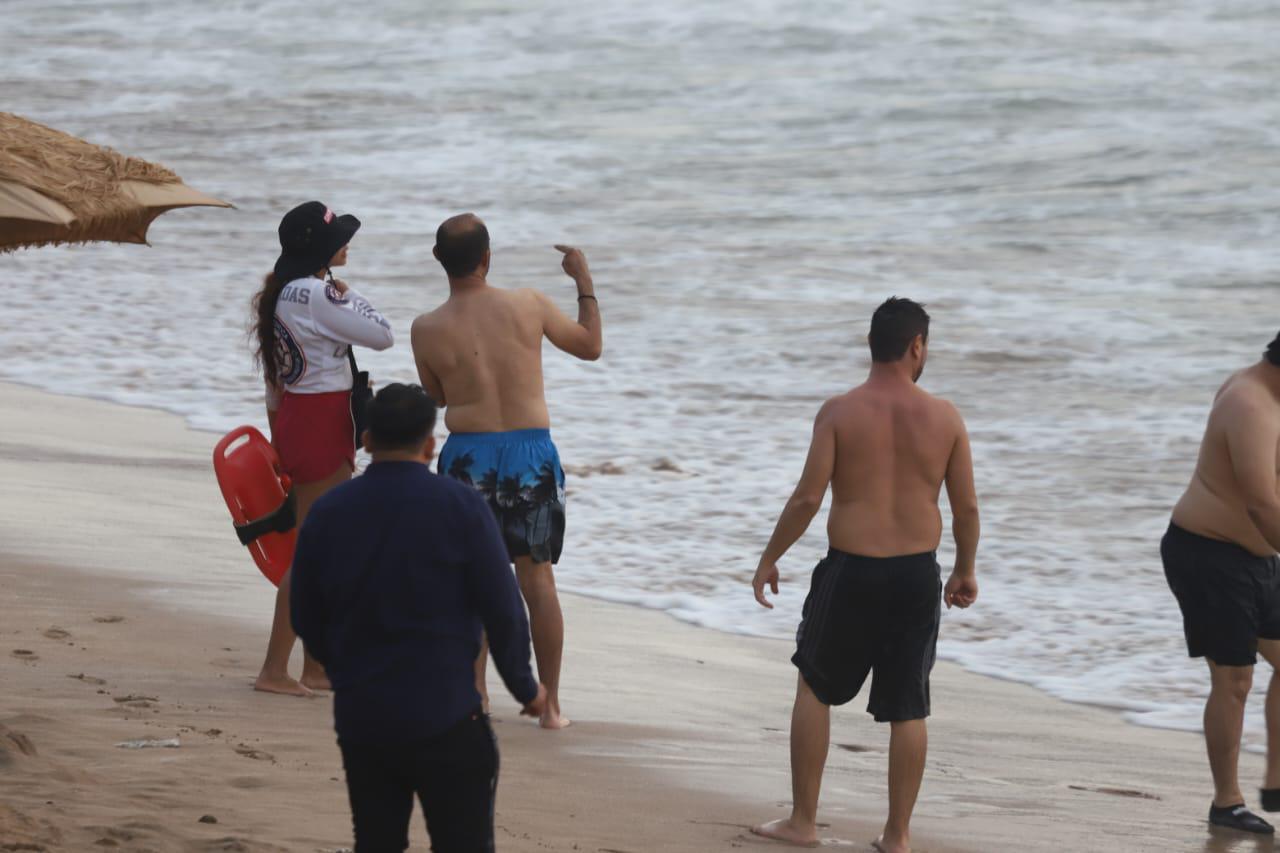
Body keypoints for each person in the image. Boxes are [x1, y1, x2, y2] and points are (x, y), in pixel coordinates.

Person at [749, 298, 979, 853]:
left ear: (872, 344)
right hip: (915, 576)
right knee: (909, 706)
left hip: (850, 572)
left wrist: (770, 557)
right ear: (917, 346)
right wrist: (965, 569)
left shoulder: (839, 412)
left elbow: (807, 498)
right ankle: (897, 835)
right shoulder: (946, 418)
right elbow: (966, 508)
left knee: (815, 686)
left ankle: (803, 822)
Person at [290, 383, 545, 852]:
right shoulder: (463, 507)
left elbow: (304, 612)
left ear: (367, 440)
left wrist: (344, 670)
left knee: (377, 841)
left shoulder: (329, 511)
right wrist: (525, 687)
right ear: (429, 445)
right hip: (447, 716)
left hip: (364, 718)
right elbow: (504, 608)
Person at [411, 213, 602, 730]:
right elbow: (590, 346)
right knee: (537, 581)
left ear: (438, 259)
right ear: (487, 257)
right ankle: (550, 706)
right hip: (530, 455)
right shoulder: (529, 303)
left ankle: (475, 697)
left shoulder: (425, 328)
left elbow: (437, 396)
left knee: (470, 581)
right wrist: (583, 281)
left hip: (466, 456)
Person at [250, 200, 394, 697]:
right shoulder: (316, 293)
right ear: (319, 251)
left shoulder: (281, 292)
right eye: (339, 240)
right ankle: (274, 670)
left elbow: (274, 385)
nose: (346, 245)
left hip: (300, 417)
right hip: (322, 421)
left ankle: (315, 667)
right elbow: (382, 335)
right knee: (312, 553)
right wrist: (350, 295)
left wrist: (279, 438)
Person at [1163, 332, 1280, 836]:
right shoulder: (1249, 403)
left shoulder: (1271, 396)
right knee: (1234, 679)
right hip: (1209, 554)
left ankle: (1276, 782)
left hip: (1259, 557)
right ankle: (1226, 803)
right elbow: (1261, 503)